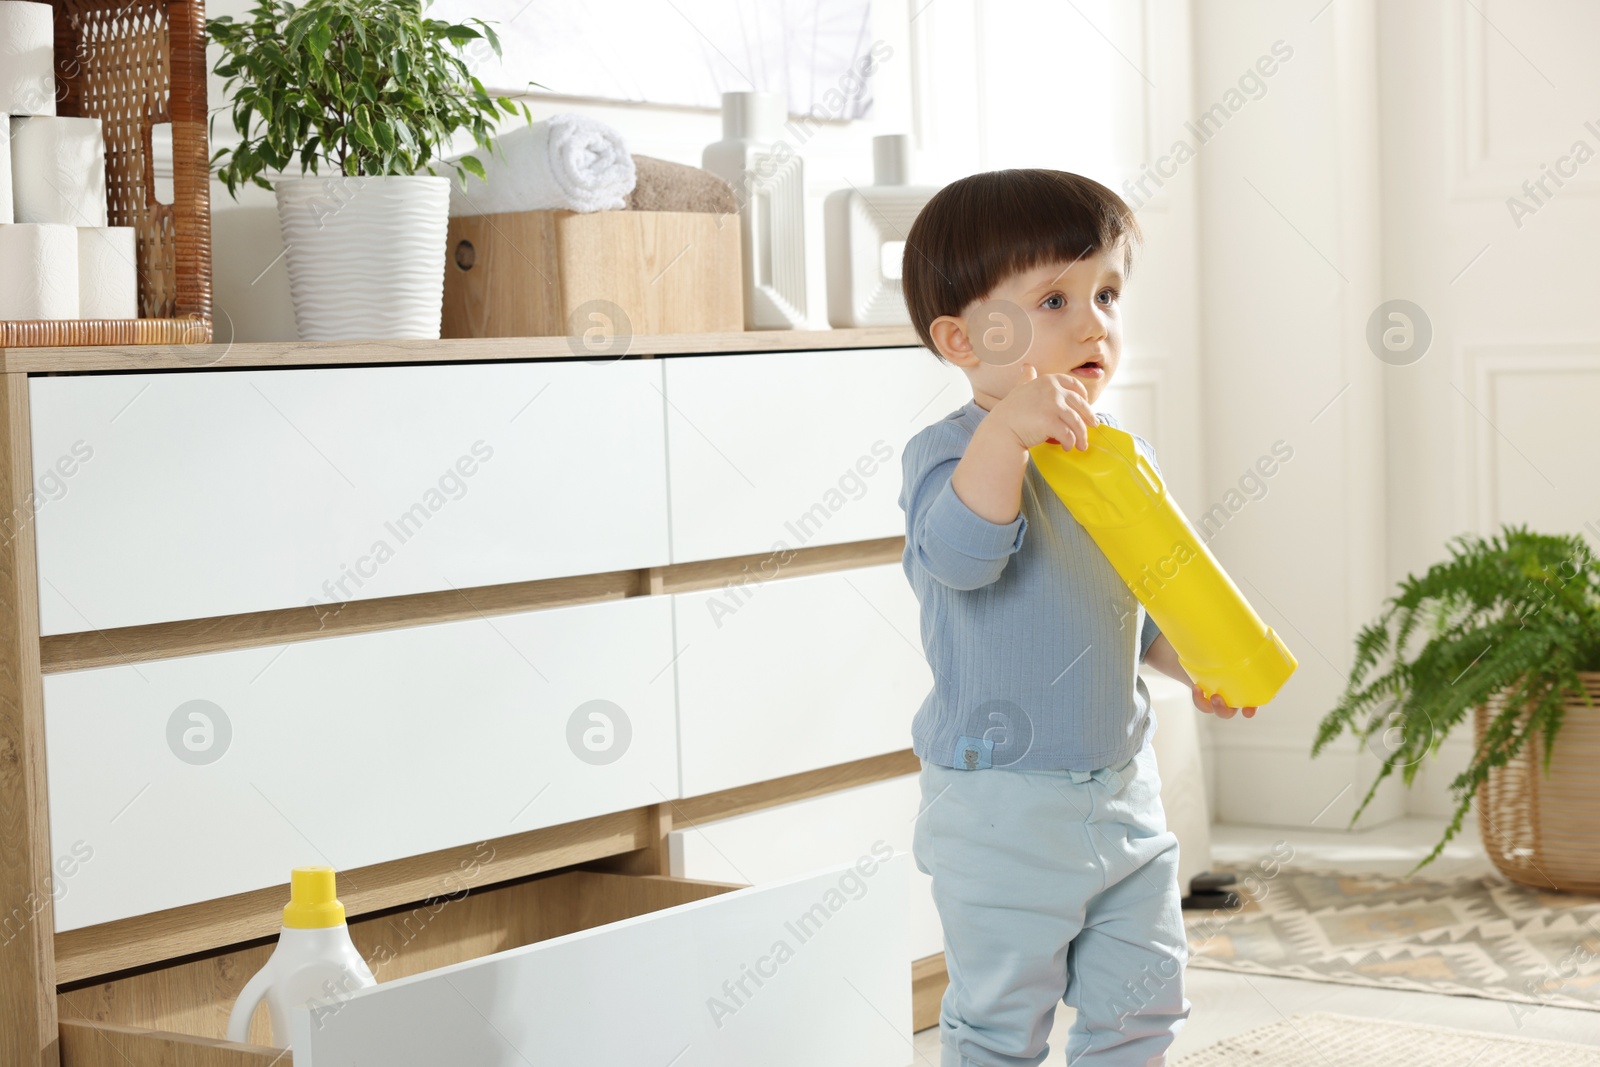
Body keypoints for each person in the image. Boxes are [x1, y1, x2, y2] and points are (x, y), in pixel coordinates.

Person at [897, 168, 1256, 1066]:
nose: (1093, 321)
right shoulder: (947, 455)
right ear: (961, 338)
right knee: (999, 1018)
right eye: (1054, 298)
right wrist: (1007, 434)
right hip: (999, 807)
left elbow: (1126, 612)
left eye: (1105, 292)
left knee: (1143, 999)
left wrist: (1191, 661)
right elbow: (962, 558)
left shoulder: (1114, 460)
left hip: (1121, 791)